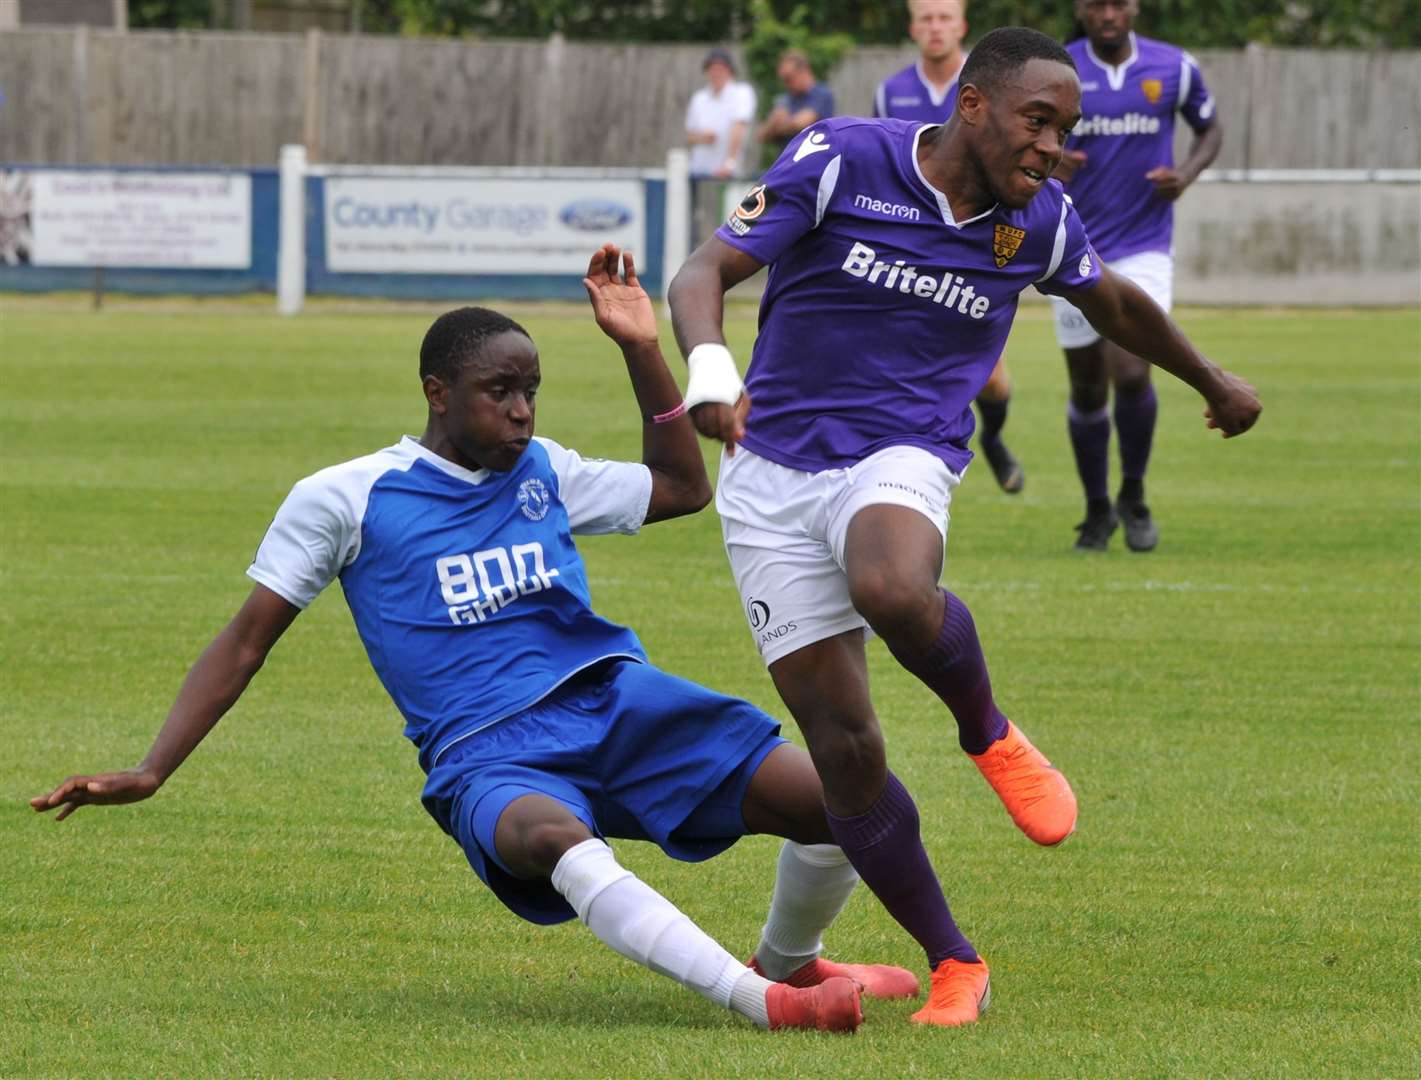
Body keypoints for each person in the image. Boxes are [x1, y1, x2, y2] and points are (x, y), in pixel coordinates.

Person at [30, 245, 930, 1035]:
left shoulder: (545, 472)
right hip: (484, 751)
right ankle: (760, 1002)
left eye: (530, 391)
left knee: (846, 798)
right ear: (438, 392)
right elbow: (244, 643)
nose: (522, 412)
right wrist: (153, 768)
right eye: (500, 392)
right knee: (551, 839)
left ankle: (788, 961)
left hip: (614, 701)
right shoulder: (346, 498)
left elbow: (682, 489)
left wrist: (642, 348)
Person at [668, 27, 1260, 1026]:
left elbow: (1111, 299)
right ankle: (953, 962)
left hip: (898, 453)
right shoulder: (843, 157)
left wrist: (1210, 378)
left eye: (1064, 130)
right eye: (1038, 122)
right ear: (973, 107)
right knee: (844, 752)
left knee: (892, 586)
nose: (1052, 147)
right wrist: (711, 373)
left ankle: (988, 735)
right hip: (767, 477)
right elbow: (697, 277)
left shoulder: (1037, 222)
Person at [1052, 0, 1223, 551]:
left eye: (1118, 4)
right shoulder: (1059, 68)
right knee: (1085, 382)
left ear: (1134, 8)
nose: (1108, 14)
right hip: (1072, 244)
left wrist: (1186, 175)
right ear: (1081, 10)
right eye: (1096, 5)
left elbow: (1210, 128)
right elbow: (1026, 135)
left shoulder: (1175, 67)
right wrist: (1052, 159)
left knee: (1130, 370)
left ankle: (1134, 494)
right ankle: (1097, 508)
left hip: (1144, 244)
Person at [872, 0, 1024, 494]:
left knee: (993, 381)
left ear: (961, 26)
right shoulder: (891, 91)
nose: (935, 27)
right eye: (926, 19)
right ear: (913, 27)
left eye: (944, 18)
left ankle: (994, 438)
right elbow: (880, 165)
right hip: (905, 253)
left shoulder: (993, 88)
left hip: (975, 248)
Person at [686, 48, 757, 180]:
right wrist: (702, 137)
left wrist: (729, 165)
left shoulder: (742, 93)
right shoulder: (698, 98)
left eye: (720, 68)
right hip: (699, 172)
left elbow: (738, 129)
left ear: (730, 71)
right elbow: (690, 136)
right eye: (712, 68)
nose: (716, 73)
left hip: (728, 176)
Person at [756, 50, 835, 155]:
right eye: (783, 79)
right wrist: (777, 124)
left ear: (804, 71)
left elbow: (800, 123)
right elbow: (761, 135)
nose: (785, 83)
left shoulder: (822, 94)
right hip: (785, 163)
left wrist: (776, 124)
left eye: (788, 78)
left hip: (812, 162)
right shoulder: (786, 98)